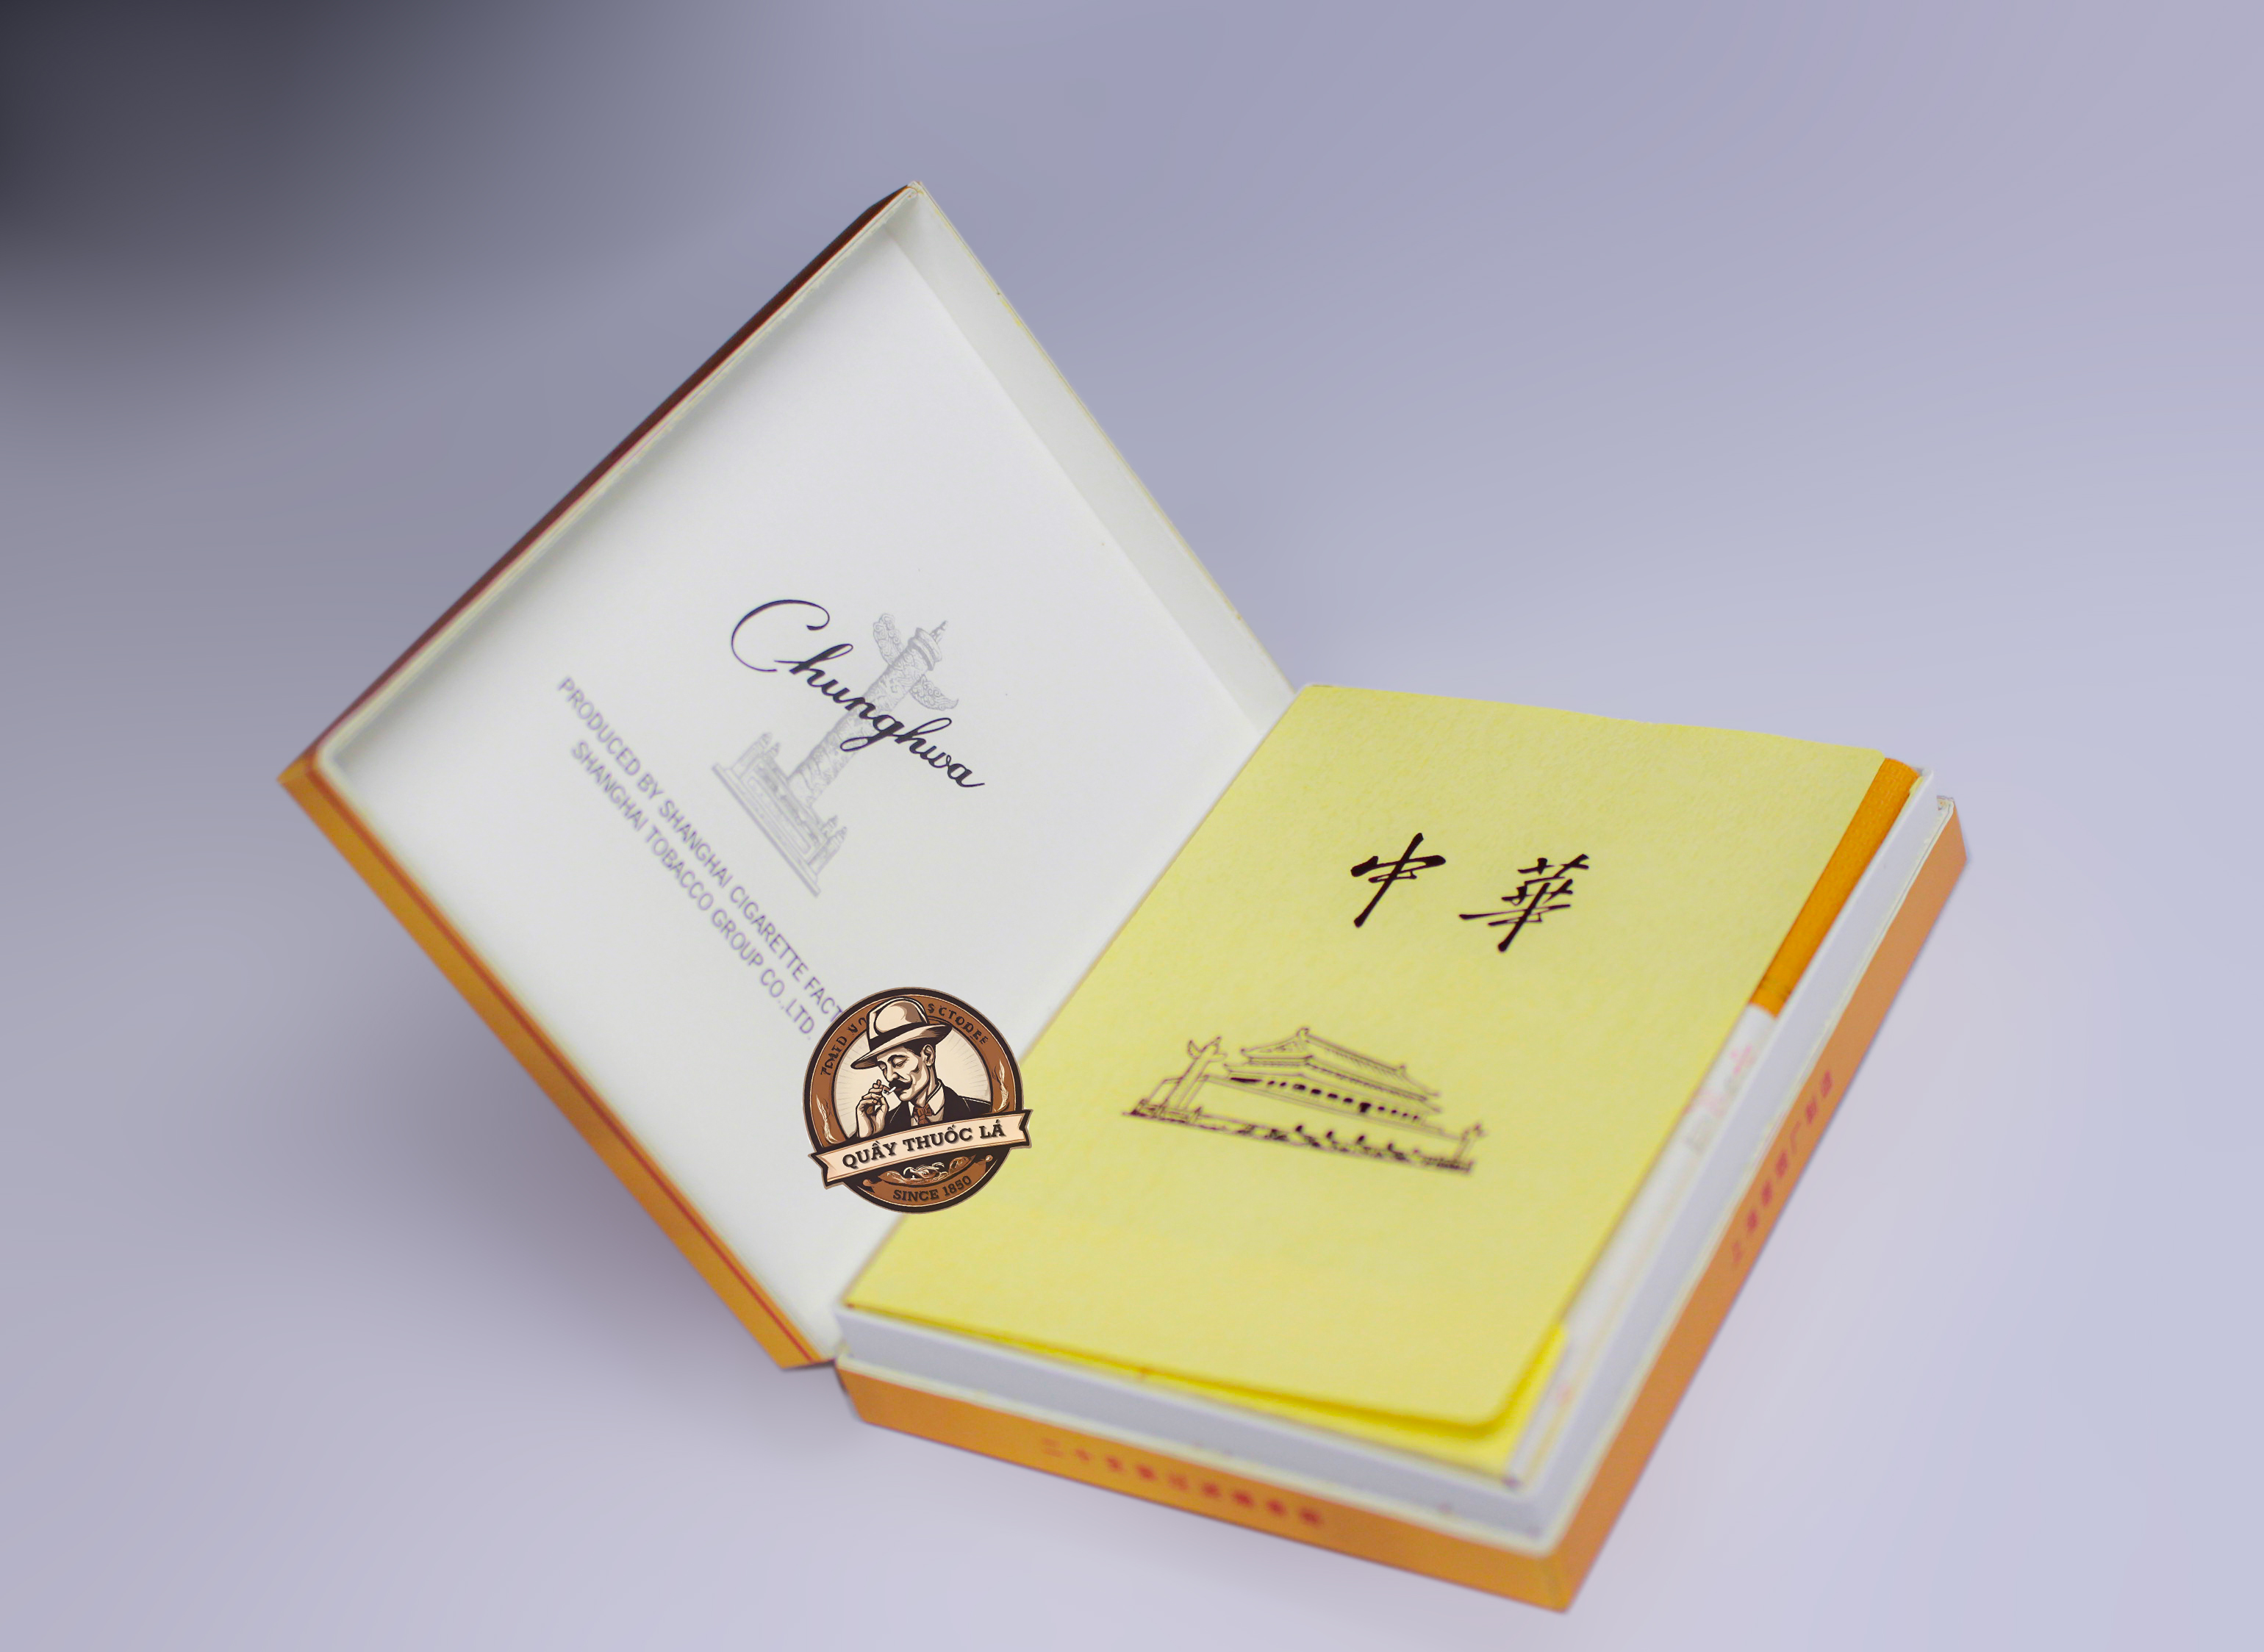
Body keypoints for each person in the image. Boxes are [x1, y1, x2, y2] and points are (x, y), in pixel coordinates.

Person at [849, 997, 991, 1136]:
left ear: (928, 1056)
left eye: (898, 1063)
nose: (890, 1077)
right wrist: (869, 1137)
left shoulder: (981, 1113)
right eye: (883, 1068)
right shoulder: (884, 1126)